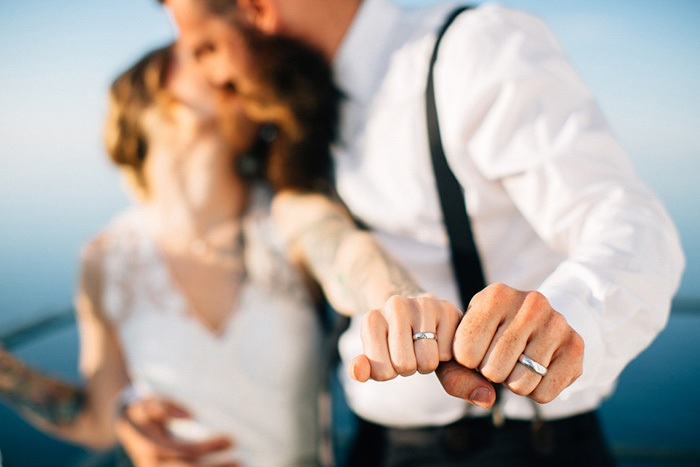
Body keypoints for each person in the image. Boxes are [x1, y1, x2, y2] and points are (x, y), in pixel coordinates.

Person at [159, 0, 686, 464]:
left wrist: (570, 316)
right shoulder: (304, 109)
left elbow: (628, 221)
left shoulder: (472, 49)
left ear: (257, 9)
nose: (215, 76)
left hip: (510, 445)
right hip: (374, 445)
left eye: (206, 48)